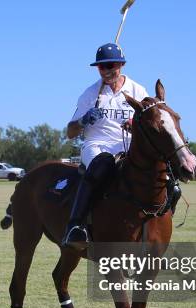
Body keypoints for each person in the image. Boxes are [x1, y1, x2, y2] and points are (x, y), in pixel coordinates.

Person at [62, 43, 149, 250]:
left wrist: (135, 124)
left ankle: (159, 225)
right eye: (102, 67)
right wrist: (84, 120)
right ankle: (76, 226)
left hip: (128, 144)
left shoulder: (138, 90)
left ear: (121, 65)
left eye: (111, 65)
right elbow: (70, 132)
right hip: (97, 145)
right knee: (102, 166)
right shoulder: (90, 94)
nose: (107, 71)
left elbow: (151, 123)